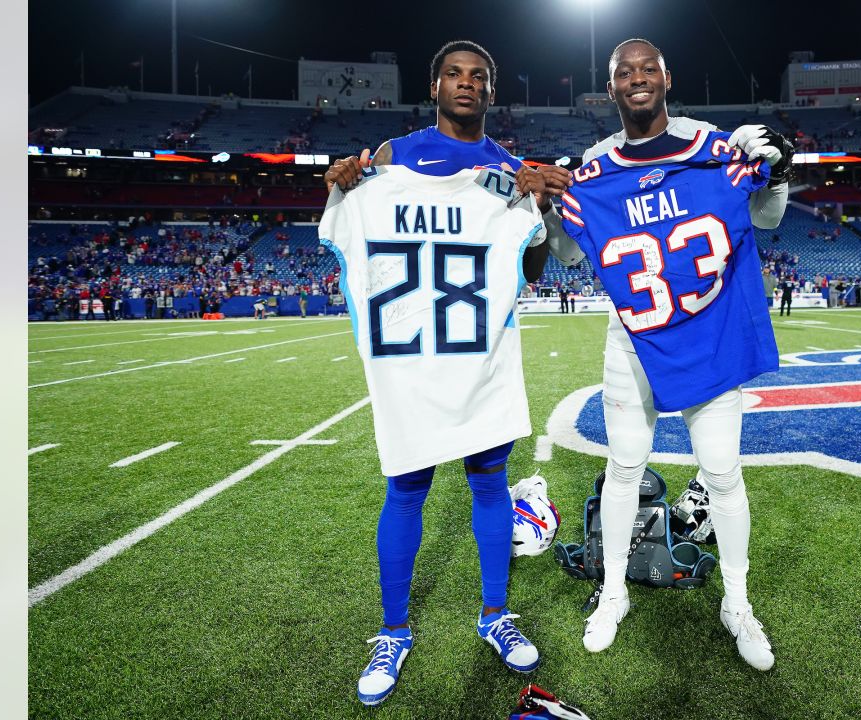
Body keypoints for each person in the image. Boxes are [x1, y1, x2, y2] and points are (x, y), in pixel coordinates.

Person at [321, 39, 573, 707]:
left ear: (492, 92)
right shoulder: (389, 158)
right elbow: (354, 228)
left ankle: (495, 616)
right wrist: (344, 186)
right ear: (434, 87)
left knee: (490, 489)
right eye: (455, 75)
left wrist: (537, 210)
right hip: (414, 359)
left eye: (479, 77)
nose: (467, 85)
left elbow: (532, 273)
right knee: (405, 490)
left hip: (479, 354)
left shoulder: (513, 169)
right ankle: (392, 631)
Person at [541, 38, 793, 672]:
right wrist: (548, 206)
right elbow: (569, 254)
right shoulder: (593, 170)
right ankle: (614, 592)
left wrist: (779, 174)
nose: (636, 79)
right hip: (633, 342)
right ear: (612, 87)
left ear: (666, 77)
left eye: (646, 68)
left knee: (723, 471)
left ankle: (738, 602)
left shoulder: (712, 148)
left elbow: (763, 218)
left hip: (706, 338)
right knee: (624, 468)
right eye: (623, 72)